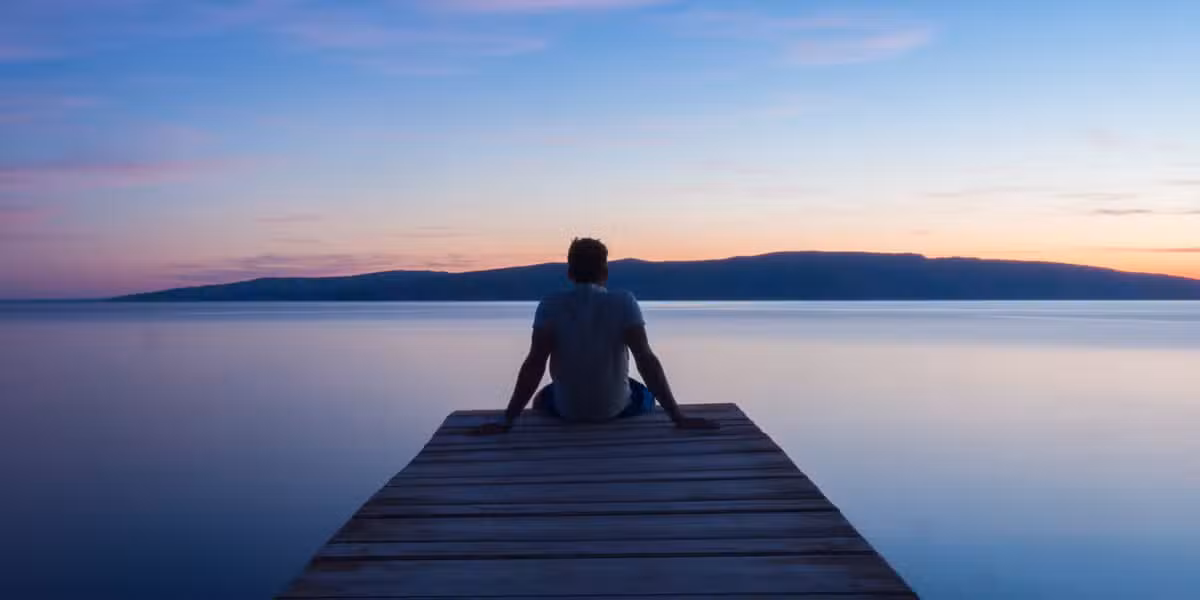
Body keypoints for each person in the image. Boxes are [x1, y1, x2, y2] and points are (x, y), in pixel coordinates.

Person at [474, 238, 720, 434]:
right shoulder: (624, 301)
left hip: (567, 411)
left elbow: (534, 364)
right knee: (644, 393)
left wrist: (507, 420)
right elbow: (646, 359)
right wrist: (677, 417)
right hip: (614, 410)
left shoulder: (550, 305)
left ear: (570, 272)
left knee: (541, 398)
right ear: (605, 270)